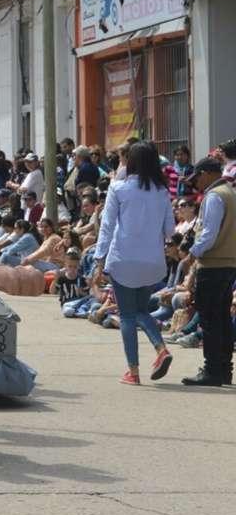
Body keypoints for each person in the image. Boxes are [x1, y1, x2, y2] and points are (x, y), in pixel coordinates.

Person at [92, 142, 175, 385]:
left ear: (131, 162)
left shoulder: (118, 188)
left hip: (123, 259)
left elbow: (107, 227)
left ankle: (134, 371)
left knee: (127, 315)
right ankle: (161, 348)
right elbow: (170, 230)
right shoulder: (162, 191)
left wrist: (99, 259)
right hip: (152, 261)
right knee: (140, 310)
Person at [177, 157, 236, 386]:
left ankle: (212, 370)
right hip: (229, 263)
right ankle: (224, 369)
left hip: (212, 264)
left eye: (198, 177)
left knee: (210, 319)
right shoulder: (231, 193)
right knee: (222, 318)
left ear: (207, 174)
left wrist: (192, 254)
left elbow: (208, 234)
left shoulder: (214, 196)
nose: (196, 183)